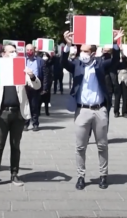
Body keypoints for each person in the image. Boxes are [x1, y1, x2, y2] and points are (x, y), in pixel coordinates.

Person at [61, 29, 122, 190]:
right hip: (82, 111)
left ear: (93, 53)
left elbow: (115, 61)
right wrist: (67, 45)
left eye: (86, 51)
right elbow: (64, 63)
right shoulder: (77, 64)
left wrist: (115, 43)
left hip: (99, 110)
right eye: (81, 50)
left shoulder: (101, 64)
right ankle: (81, 176)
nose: (83, 53)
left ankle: (103, 175)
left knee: (102, 145)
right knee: (80, 146)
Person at [0, 44, 40, 189]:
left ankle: (14, 174)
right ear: (3, 54)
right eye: (11, 52)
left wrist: (31, 76)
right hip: (1, 113)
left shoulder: (21, 68)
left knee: (15, 145)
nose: (14, 54)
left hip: (18, 112)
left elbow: (36, 86)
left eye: (15, 52)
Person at [23, 44, 44, 131]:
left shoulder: (40, 61)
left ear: (34, 50)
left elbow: (45, 74)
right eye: (27, 50)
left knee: (35, 106)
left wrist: (45, 87)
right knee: (25, 106)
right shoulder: (22, 61)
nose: (29, 52)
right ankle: (25, 123)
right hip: (25, 87)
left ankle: (35, 123)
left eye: (31, 50)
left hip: (36, 85)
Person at [40, 51, 54, 116]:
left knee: (47, 98)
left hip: (48, 83)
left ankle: (47, 111)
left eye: (46, 56)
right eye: (43, 56)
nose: (44, 57)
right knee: (39, 98)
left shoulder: (49, 63)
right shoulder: (40, 63)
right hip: (40, 82)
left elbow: (54, 60)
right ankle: (38, 111)